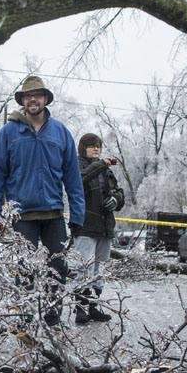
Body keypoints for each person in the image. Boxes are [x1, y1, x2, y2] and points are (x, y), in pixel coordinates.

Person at [0, 75, 85, 325]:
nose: (33, 99)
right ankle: (25, 321)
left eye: (37, 95)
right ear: (23, 100)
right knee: (24, 271)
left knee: (57, 270)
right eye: (28, 95)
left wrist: (77, 215)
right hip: (21, 217)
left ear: (45, 99)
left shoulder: (61, 133)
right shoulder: (9, 133)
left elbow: (73, 178)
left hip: (53, 215)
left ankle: (53, 320)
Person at [73, 133, 125, 324]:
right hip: (85, 226)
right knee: (83, 268)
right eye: (92, 145)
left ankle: (93, 307)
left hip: (104, 227)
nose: (96, 148)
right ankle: (80, 309)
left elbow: (119, 192)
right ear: (82, 148)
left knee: (97, 270)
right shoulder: (77, 165)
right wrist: (102, 164)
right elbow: (80, 180)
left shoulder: (106, 171)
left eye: (98, 146)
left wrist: (116, 199)